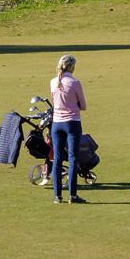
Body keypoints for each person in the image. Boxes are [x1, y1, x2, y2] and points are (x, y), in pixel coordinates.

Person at [49, 53, 87, 204]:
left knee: (57, 158)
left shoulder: (53, 82)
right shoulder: (75, 82)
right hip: (72, 123)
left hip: (56, 123)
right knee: (73, 158)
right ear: (72, 67)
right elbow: (83, 105)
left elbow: (54, 101)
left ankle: (57, 196)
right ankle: (73, 195)